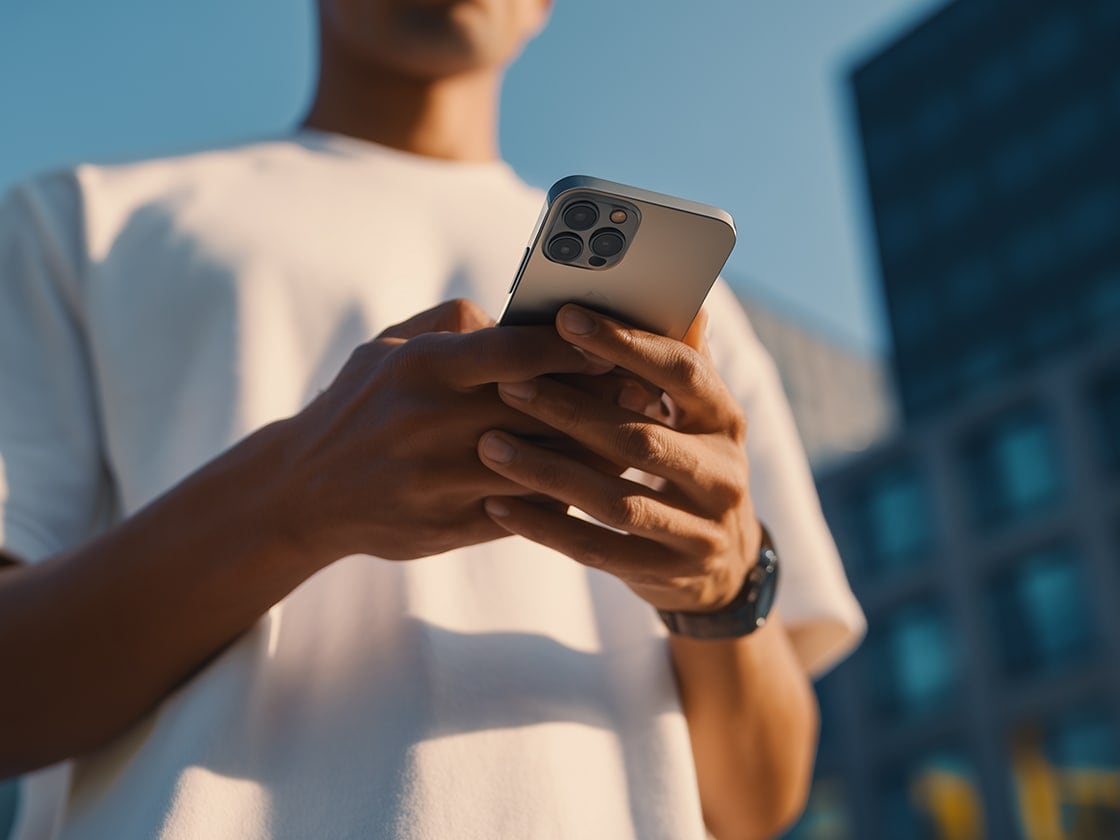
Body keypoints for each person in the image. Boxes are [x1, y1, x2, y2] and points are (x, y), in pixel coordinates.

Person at [0, 1, 865, 838]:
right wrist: (294, 497)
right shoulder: (78, 225)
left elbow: (758, 803)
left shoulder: (699, 320)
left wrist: (722, 592)